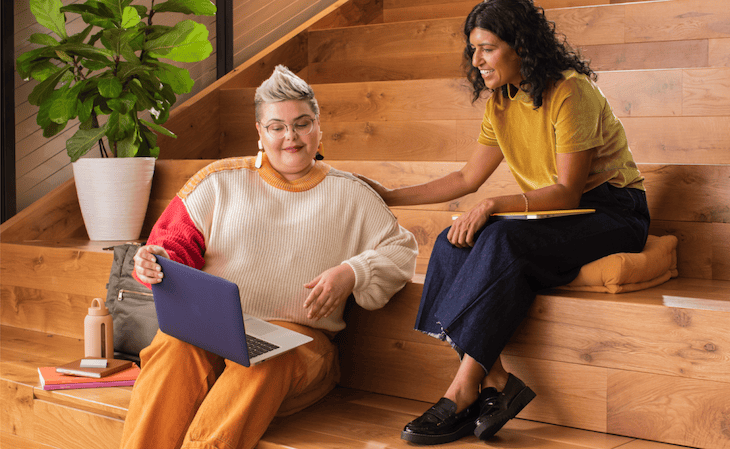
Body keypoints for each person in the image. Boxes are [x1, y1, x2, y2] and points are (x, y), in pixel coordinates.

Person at [356, 0, 650, 444]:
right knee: (454, 240)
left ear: (522, 48)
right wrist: (388, 195)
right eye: (473, 49)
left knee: (501, 239)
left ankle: (462, 389)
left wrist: (493, 204)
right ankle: (493, 379)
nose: (476, 61)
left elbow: (568, 191)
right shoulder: (502, 102)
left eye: (487, 49)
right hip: (551, 215)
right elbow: (465, 177)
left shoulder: (571, 92)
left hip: (612, 210)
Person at [120, 65, 418, 449]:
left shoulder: (353, 195)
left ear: (319, 126)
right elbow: (170, 248)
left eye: (302, 123)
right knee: (173, 346)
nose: (290, 137)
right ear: (260, 132)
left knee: (263, 359)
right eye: (277, 126)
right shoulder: (217, 182)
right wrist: (155, 261)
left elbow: (401, 249)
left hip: (302, 349)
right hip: (212, 335)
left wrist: (352, 271)